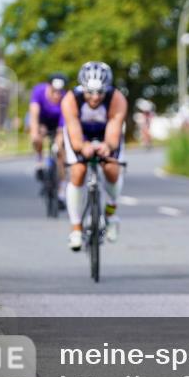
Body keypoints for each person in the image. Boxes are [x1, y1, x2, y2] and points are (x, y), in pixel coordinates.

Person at [61, 62, 128, 251]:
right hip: (80, 134)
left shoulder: (117, 99)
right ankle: (75, 228)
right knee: (78, 171)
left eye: (100, 92)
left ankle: (111, 215)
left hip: (105, 134)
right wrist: (83, 147)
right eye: (90, 92)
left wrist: (107, 146)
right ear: (83, 88)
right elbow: (74, 133)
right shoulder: (70, 99)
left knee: (112, 169)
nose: (96, 97)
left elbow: (114, 131)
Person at [29, 73, 68, 204]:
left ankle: (62, 190)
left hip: (58, 123)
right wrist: (35, 133)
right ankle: (39, 161)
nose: (57, 95)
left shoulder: (65, 98)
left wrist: (59, 137)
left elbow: (64, 123)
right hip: (42, 121)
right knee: (37, 138)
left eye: (59, 92)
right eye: (54, 91)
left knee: (61, 152)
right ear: (48, 87)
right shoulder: (39, 91)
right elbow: (34, 114)